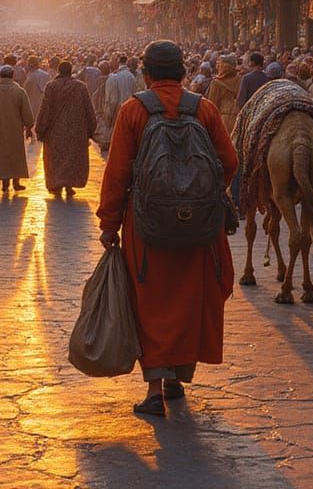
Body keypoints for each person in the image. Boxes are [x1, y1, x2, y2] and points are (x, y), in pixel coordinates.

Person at [98, 40, 237, 417]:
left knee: (151, 301)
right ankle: (178, 377)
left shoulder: (133, 111)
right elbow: (229, 161)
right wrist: (200, 197)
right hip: (199, 230)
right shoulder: (204, 108)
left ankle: (155, 390)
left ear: (146, 75)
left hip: (147, 226)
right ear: (183, 72)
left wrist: (110, 223)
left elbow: (117, 173)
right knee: (189, 298)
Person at [35, 60, 97, 197]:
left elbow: (45, 109)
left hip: (55, 131)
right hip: (76, 130)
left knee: (56, 159)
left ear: (58, 71)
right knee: (72, 158)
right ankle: (69, 185)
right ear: (71, 71)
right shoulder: (80, 87)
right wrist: (91, 129)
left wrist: (40, 129)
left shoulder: (51, 87)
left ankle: (56, 184)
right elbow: (89, 109)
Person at [0, 64, 34, 194]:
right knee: (14, 155)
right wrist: (29, 126)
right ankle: (14, 182)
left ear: (0, 76)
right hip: (14, 130)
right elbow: (27, 113)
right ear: (13, 76)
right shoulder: (19, 91)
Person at [206, 56, 240, 136]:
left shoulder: (216, 83)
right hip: (238, 115)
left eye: (220, 65)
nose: (218, 67)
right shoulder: (240, 79)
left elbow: (212, 103)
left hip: (223, 116)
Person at [23, 56, 50, 126]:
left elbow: (25, 91)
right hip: (43, 103)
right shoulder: (46, 75)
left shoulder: (31, 76)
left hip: (32, 103)